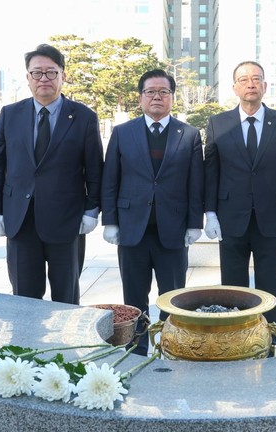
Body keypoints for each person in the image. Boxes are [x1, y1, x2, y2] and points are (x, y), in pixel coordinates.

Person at [0, 43, 103, 305]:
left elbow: (95, 168)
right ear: (28, 77)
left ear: (63, 75)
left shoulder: (83, 117)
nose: (44, 79)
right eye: (37, 73)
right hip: (21, 219)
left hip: (66, 220)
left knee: (66, 298)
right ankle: (29, 335)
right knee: (24, 299)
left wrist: (92, 209)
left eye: (51, 72)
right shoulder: (10, 114)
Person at [101, 69, 204, 356]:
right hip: (132, 229)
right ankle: (136, 351)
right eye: (150, 91)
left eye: (163, 91)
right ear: (140, 97)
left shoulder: (189, 134)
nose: (157, 97)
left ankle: (170, 349)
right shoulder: (123, 133)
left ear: (172, 97)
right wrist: (110, 221)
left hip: (173, 231)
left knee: (173, 298)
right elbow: (111, 179)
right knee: (134, 299)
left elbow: (196, 183)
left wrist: (194, 223)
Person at [203, 61, 276, 326]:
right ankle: (235, 340)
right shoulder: (218, 123)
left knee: (269, 290)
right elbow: (211, 171)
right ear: (235, 87)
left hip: (272, 218)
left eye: (256, 79)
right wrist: (210, 213)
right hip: (230, 218)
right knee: (232, 290)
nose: (251, 84)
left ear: (265, 86)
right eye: (244, 79)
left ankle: (269, 340)